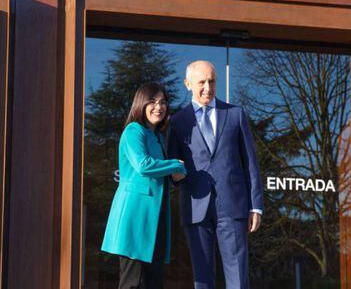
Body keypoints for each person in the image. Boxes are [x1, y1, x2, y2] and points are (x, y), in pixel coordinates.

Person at [168, 60, 263, 289]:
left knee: (238, 276)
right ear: (187, 84)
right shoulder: (177, 122)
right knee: (202, 276)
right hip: (196, 206)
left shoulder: (235, 114)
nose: (208, 87)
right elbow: (172, 164)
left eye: (212, 81)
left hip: (232, 206)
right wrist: (174, 175)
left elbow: (250, 162)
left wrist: (256, 206)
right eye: (202, 82)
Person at [101, 83, 186, 289]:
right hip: (136, 217)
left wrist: (176, 174)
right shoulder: (134, 130)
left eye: (163, 102)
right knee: (133, 283)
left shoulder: (157, 137)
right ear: (141, 103)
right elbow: (143, 165)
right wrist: (176, 164)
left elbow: (163, 174)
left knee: (153, 282)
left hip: (155, 219)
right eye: (153, 102)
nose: (159, 107)